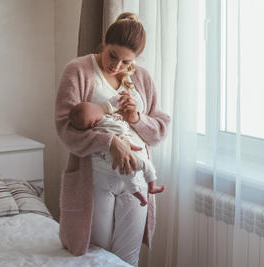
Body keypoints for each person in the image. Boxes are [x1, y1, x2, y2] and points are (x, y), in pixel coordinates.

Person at [54, 12, 170, 266]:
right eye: (112, 56)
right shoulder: (78, 71)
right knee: (97, 255)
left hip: (135, 177)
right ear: (104, 40)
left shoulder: (143, 78)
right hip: (95, 177)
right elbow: (65, 129)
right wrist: (110, 142)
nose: (116, 66)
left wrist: (137, 118)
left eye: (126, 62)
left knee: (128, 258)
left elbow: (160, 128)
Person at [68, 101, 166, 206]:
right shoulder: (103, 122)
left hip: (114, 162)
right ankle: (152, 186)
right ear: (94, 122)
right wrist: (122, 122)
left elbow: (158, 133)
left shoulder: (97, 126)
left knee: (128, 179)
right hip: (129, 155)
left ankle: (140, 196)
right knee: (147, 165)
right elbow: (121, 129)